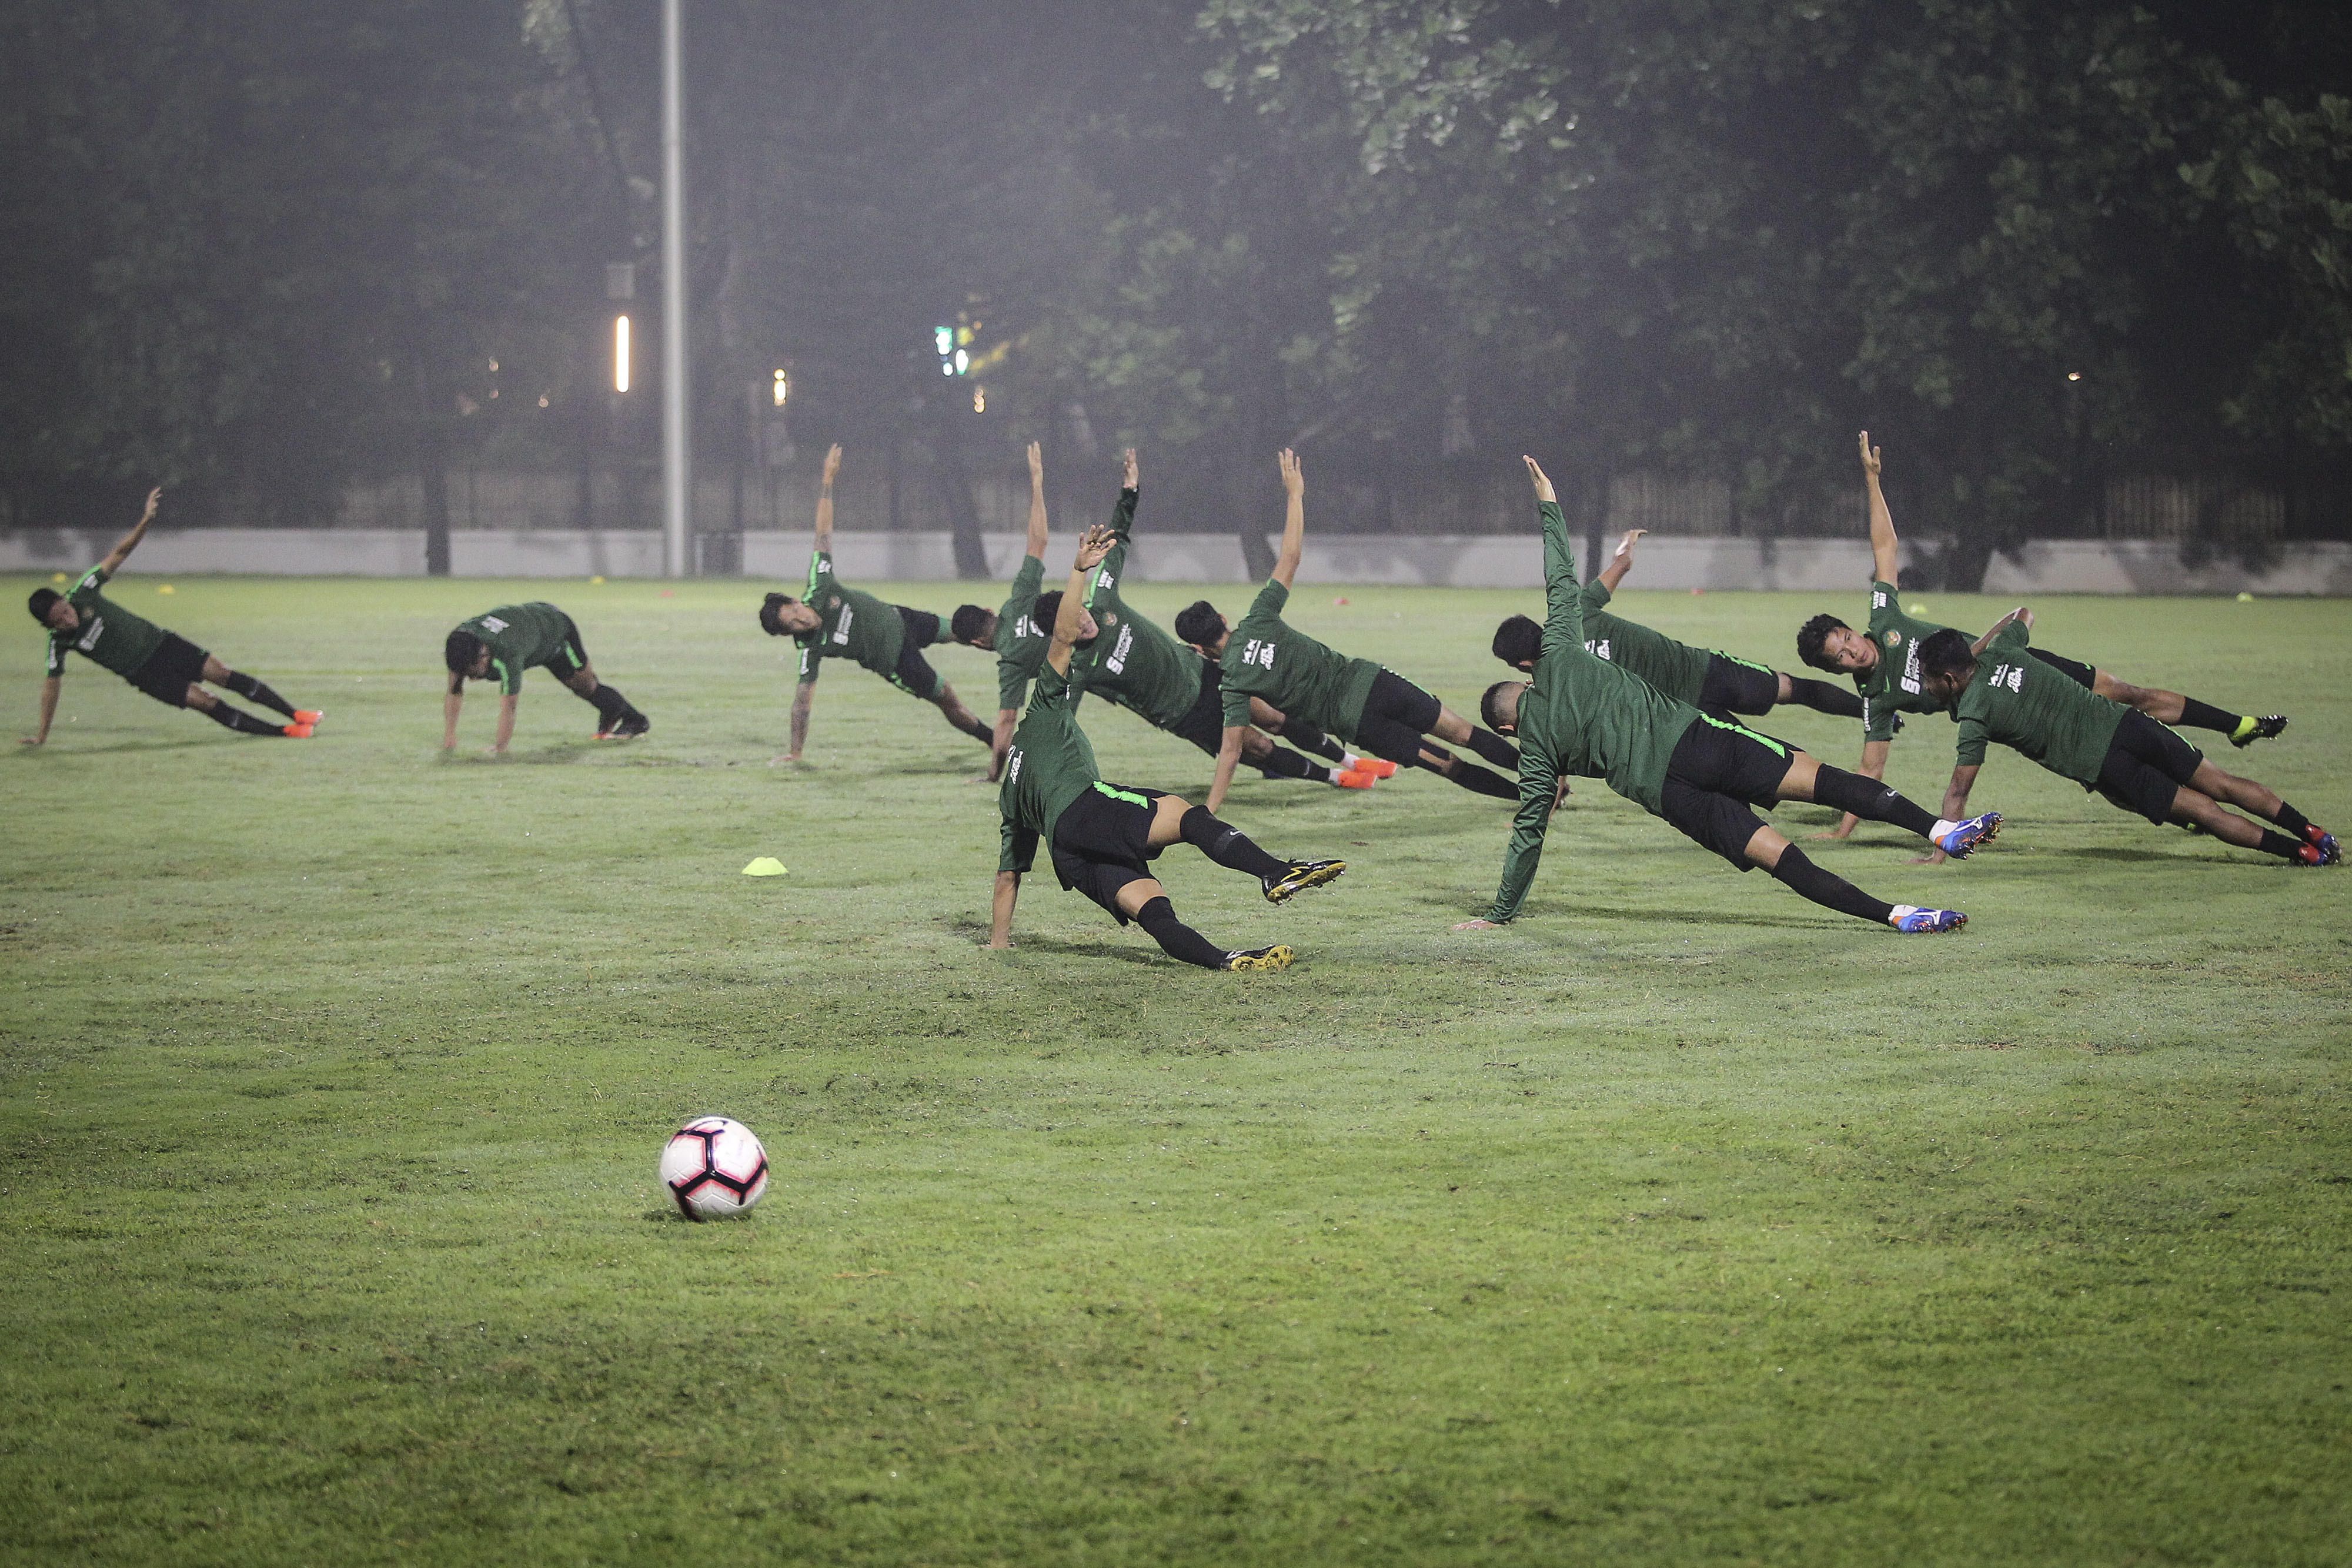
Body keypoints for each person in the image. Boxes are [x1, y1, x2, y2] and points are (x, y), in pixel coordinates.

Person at [1456, 456, 1999, 937]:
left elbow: (1529, 833)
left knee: (1780, 858)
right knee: (1821, 780)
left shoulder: (1536, 757)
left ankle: (1897, 915)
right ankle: (1939, 829)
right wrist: (1548, 502)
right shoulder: (1561, 651)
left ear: (1509, 727)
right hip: (1694, 741)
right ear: (1526, 682)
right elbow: (1558, 578)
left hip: (1671, 797)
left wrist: (1500, 912)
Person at [1795, 432, 2287, 846]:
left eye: (1844, 637)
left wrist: (1872, 479)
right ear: (1835, 669)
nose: (1850, 650)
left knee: (2127, 695)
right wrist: (1844, 829)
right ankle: (2189, 812)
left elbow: (1885, 545)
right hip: (1997, 703)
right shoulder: (1876, 699)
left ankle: (2235, 725)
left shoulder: (1883, 617)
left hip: (2018, 663)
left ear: (1851, 628)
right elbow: (1870, 768)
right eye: (1838, 656)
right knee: (2108, 782)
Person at [991, 523, 1347, 971]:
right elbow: (1062, 637)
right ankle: (1273, 871)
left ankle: (1225, 961)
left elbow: (1008, 876)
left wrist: (998, 942)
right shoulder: (1044, 708)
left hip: (1070, 855)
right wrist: (1078, 571)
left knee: (1154, 910)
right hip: (1086, 808)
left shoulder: (1009, 795)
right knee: (1188, 815)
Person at [955, 447, 1385, 789]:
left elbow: (1117, 540)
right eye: (1075, 620)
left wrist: (1129, 492)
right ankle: (1338, 779)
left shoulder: (1103, 599)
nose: (1084, 620)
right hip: (1183, 712)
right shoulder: (1078, 668)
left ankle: (1350, 759)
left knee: (1272, 715)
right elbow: (1057, 720)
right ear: (1060, 633)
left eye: (1082, 609)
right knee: (1256, 744)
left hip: (1201, 670)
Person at [1181, 450, 1519, 811]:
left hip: (1359, 721)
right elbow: (1291, 557)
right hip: (1374, 681)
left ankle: (1531, 799)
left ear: (1199, 649)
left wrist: (1209, 812)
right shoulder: (1260, 616)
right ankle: (1550, 781)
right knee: (1465, 733)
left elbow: (1231, 753)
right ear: (1221, 617)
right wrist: (1295, 494)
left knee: (1449, 764)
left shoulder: (1233, 684)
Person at [1915, 616, 2337, 867]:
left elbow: (1958, 790)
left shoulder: (1973, 716)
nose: (1926, 687)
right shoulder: (2005, 648)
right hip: (2127, 724)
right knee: (2222, 783)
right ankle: (2313, 831)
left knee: (2205, 811)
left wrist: (1939, 852)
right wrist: (1978, 648)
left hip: (2106, 765)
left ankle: (2302, 854)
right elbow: (2021, 613)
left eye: (1929, 679)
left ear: (1950, 679)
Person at [24, 487, 319, 744]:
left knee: (223, 675)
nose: (66, 620)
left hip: (163, 644)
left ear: (64, 599)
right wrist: (42, 736)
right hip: (146, 675)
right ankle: (285, 732)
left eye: (64, 611)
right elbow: (51, 688)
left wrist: (146, 521)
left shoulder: (84, 591)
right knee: (206, 702)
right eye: (57, 622)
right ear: (47, 626)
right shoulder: (57, 644)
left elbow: (120, 553)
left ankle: (296, 714)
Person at [760, 444, 993, 763]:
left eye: (796, 611)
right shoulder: (810, 648)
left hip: (901, 618)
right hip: (897, 661)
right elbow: (802, 702)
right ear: (790, 634)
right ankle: (994, 740)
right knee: (946, 697)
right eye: (793, 625)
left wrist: (828, 479)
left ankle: (1018, 649)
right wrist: (796, 752)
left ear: (796, 601)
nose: (802, 620)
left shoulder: (819, 585)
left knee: (965, 630)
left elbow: (823, 535)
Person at [1492, 527, 1864, 720]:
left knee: (1767, 761)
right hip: (1704, 668)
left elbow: (1562, 739)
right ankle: (1874, 714)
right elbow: (1622, 565)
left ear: (1524, 663)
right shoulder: (1575, 610)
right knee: (1791, 689)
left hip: (1681, 716)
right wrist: (1627, 543)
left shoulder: (1558, 681)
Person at [442, 601, 647, 753]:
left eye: (474, 671)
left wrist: (500, 747)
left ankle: (634, 720)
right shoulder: (460, 645)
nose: (472, 678)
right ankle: (612, 711)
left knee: (586, 686)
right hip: (534, 640)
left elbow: (509, 706)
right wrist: (450, 735)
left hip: (556, 632)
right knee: (584, 689)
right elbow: (454, 689)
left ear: (483, 653)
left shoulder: (507, 651)